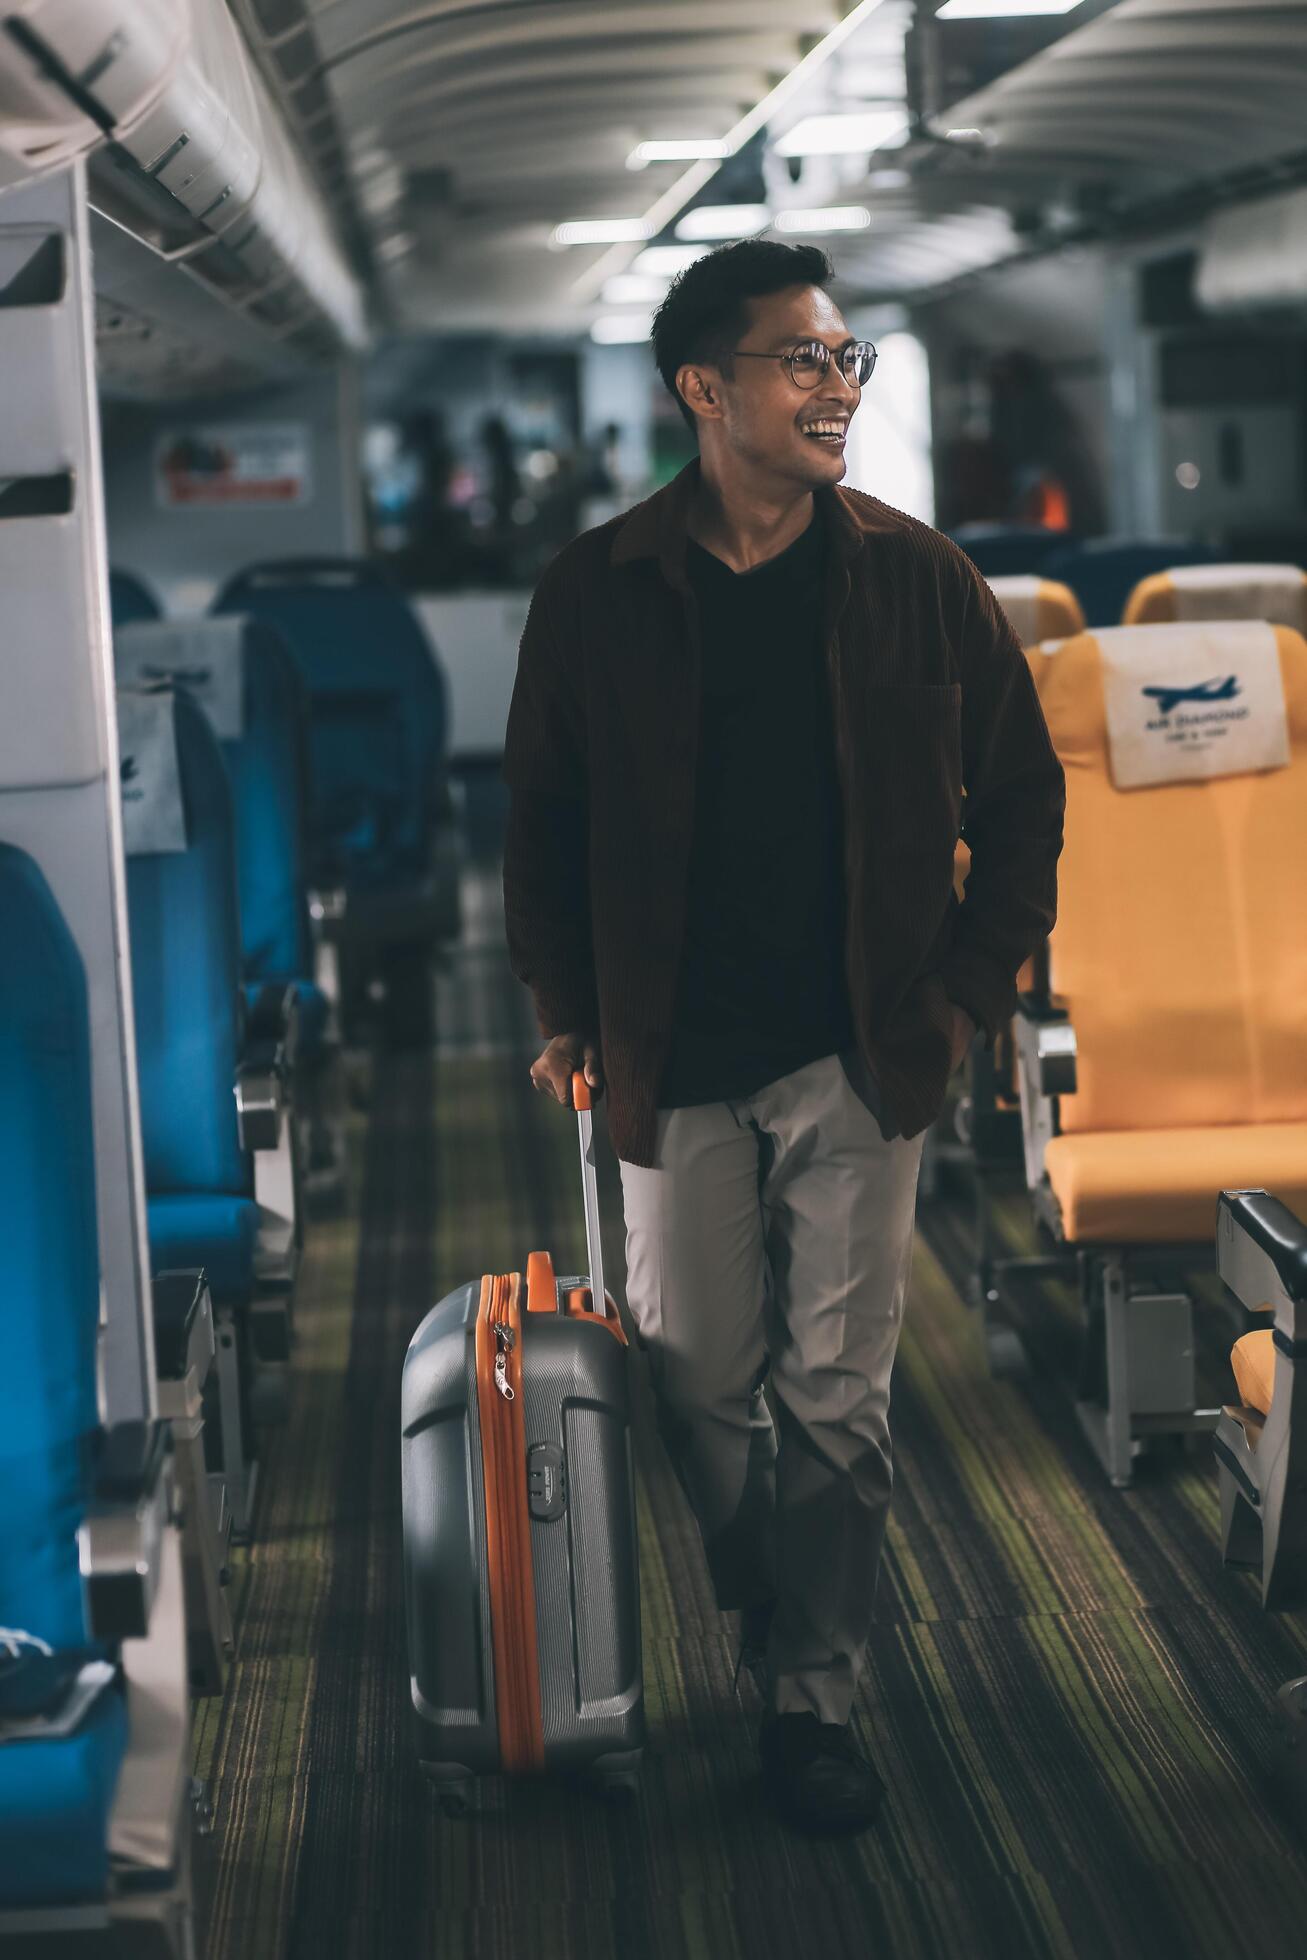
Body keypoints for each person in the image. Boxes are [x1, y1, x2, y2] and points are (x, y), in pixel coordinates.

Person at [501, 240, 1064, 1835]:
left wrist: (964, 994)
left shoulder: (915, 573)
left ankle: (811, 1703)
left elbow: (1022, 797)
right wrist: (565, 1013)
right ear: (705, 388)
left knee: (842, 1396)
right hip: (670, 1054)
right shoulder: (598, 590)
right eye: (801, 361)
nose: (835, 390)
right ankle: (770, 1588)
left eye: (845, 360)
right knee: (694, 1383)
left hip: (864, 1050)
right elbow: (538, 829)